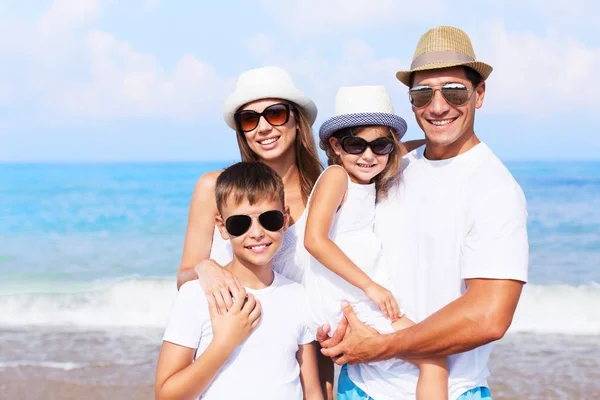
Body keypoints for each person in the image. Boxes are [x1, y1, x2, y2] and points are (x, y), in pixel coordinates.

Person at [317, 26, 529, 400]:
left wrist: (383, 345)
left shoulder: (494, 189)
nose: (438, 106)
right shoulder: (393, 163)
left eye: (454, 91)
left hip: (448, 389)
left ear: (479, 94)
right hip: (361, 384)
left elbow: (489, 316)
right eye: (422, 94)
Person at [304, 85, 448, 400]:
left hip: (359, 298)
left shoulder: (364, 178)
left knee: (410, 368)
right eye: (356, 145)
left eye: (379, 145)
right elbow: (314, 240)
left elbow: (403, 148)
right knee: (433, 359)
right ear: (336, 146)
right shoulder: (336, 177)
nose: (368, 156)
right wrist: (371, 286)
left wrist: (444, 140)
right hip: (351, 301)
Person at [156, 161, 323, 400]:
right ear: (222, 227)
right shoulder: (196, 296)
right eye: (240, 223)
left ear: (285, 219)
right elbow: (166, 395)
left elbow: (312, 392)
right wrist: (224, 343)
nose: (256, 233)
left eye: (270, 219)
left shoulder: (298, 296)